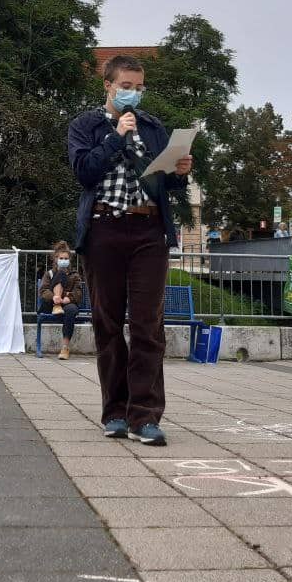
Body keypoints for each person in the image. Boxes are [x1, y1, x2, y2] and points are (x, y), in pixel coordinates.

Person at [68, 54, 193, 447]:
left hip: (148, 230)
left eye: (139, 88)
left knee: (147, 324)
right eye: (126, 87)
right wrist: (115, 137)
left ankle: (145, 416)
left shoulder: (153, 127)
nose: (133, 94)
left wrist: (180, 173)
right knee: (107, 323)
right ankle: (115, 413)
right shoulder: (85, 126)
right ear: (107, 85)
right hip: (104, 229)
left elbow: (162, 181)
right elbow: (84, 172)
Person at [40, 240, 83, 361]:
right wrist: (54, 297)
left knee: (71, 310)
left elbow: (78, 292)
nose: (64, 260)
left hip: (66, 304)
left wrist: (68, 298)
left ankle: (65, 348)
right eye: (61, 258)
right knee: (61, 274)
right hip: (50, 305)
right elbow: (43, 291)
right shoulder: (49, 274)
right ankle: (56, 305)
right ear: (56, 259)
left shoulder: (75, 275)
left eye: (66, 258)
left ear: (69, 260)